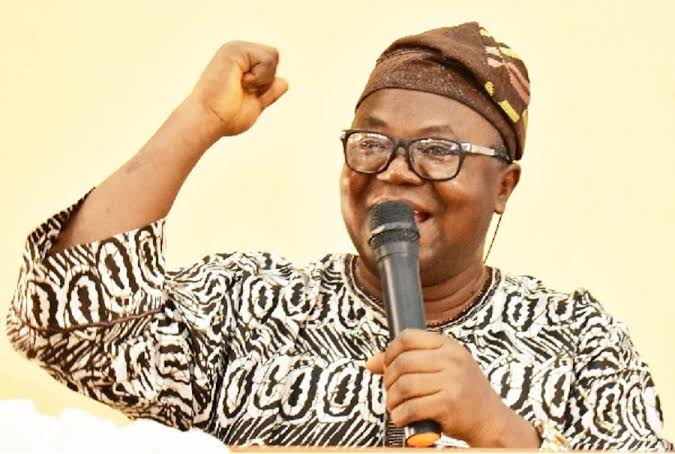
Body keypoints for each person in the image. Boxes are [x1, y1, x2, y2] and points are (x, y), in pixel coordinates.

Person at [5, 22, 672, 450]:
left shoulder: (577, 339)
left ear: (503, 187)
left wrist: (503, 434)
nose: (395, 172)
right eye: (371, 143)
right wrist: (200, 118)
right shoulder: (250, 301)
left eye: (438, 151)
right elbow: (65, 326)